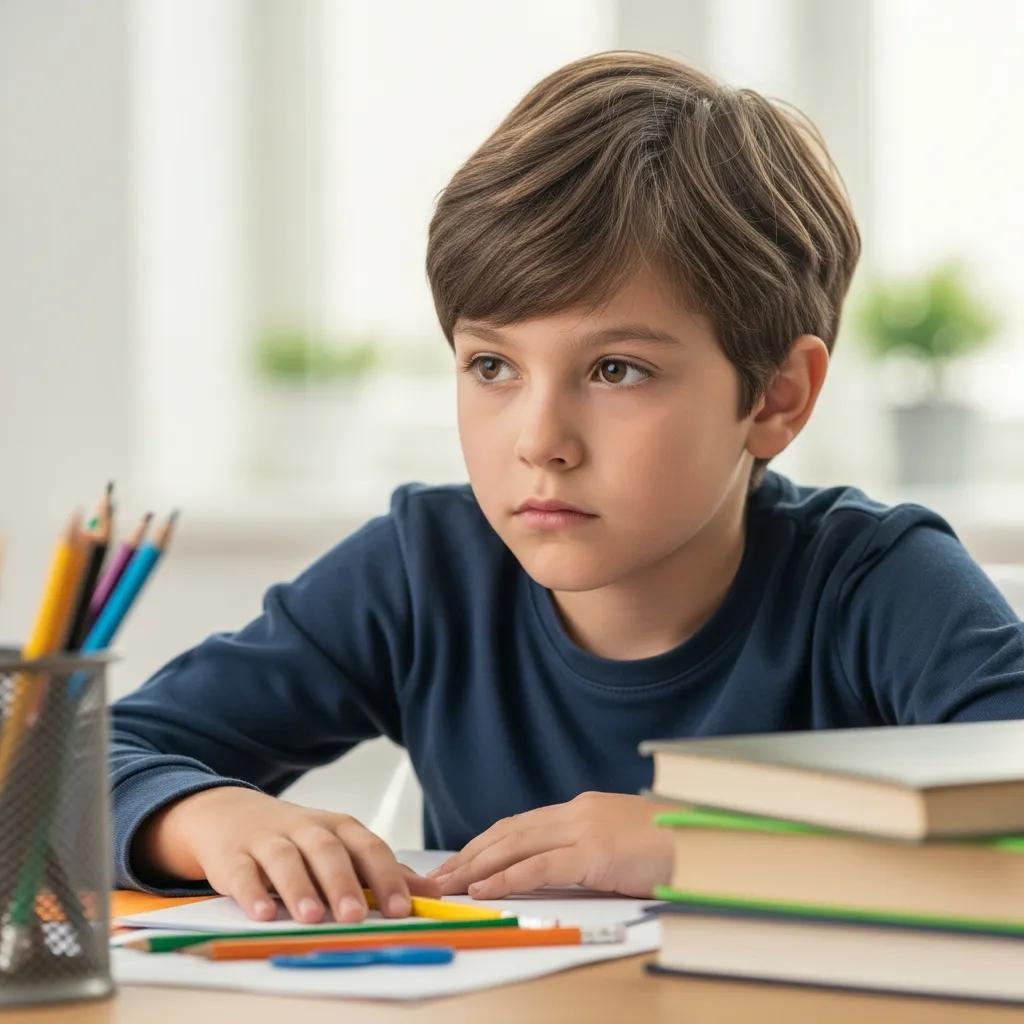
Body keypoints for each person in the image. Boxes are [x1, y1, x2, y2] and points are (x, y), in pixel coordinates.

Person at [110, 51, 1024, 926]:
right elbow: (62, 767)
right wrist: (206, 816)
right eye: (492, 365)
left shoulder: (878, 583)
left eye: (618, 369)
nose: (540, 442)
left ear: (777, 398)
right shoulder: (424, 570)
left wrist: (707, 845)